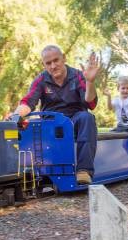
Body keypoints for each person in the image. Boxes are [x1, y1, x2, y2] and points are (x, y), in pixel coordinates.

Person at [11, 45, 100, 184]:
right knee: (26, 123)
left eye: (56, 60)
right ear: (44, 64)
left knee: (87, 117)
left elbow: (91, 104)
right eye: (48, 63)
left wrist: (89, 82)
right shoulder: (41, 80)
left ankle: (84, 171)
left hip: (75, 120)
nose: (53, 65)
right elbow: (28, 102)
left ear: (63, 58)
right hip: (51, 122)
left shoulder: (78, 75)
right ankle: (32, 170)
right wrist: (15, 116)